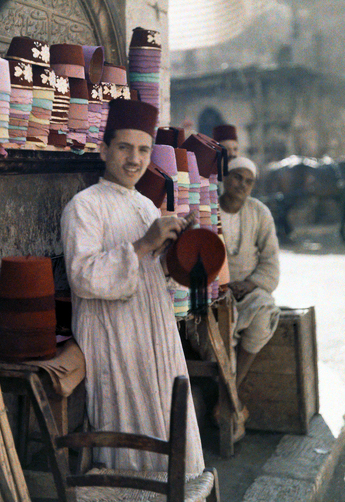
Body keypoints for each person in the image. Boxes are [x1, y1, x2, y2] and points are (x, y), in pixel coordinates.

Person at [61, 98, 204, 475]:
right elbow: (82, 275)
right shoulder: (83, 207)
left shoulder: (145, 205)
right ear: (104, 149)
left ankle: (176, 491)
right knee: (132, 428)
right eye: (124, 147)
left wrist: (174, 251)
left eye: (143, 149)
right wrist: (143, 245)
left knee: (170, 425)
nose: (134, 159)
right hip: (114, 336)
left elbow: (152, 270)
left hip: (154, 330)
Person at [219, 156, 280, 438]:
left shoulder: (260, 212)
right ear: (225, 177)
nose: (242, 184)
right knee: (218, 337)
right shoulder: (209, 208)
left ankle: (230, 392)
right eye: (237, 177)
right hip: (214, 295)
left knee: (266, 310)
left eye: (248, 181)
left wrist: (250, 283)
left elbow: (270, 264)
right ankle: (232, 404)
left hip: (248, 291)